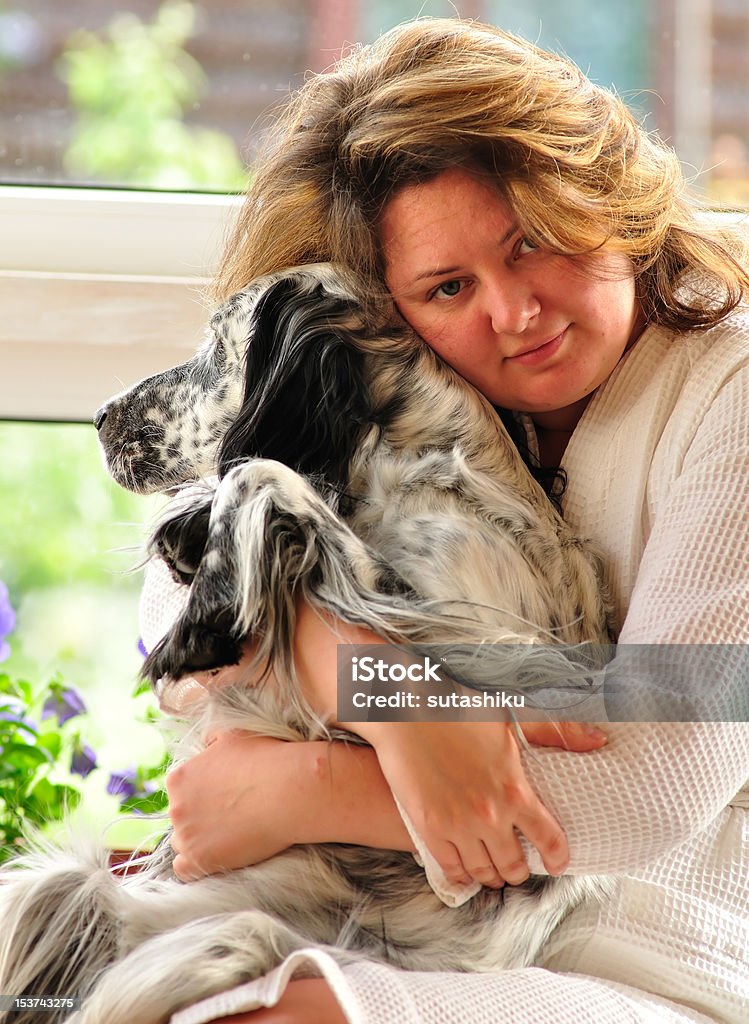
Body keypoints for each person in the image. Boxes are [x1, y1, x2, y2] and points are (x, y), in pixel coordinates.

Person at [139, 17, 749, 1024]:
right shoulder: (388, 364)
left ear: (594, 192)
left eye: (533, 241)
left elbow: (652, 782)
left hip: (659, 948)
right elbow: (174, 600)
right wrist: (388, 695)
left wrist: (295, 790)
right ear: (393, 302)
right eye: (448, 286)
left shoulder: (728, 389)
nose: (513, 312)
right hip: (350, 906)